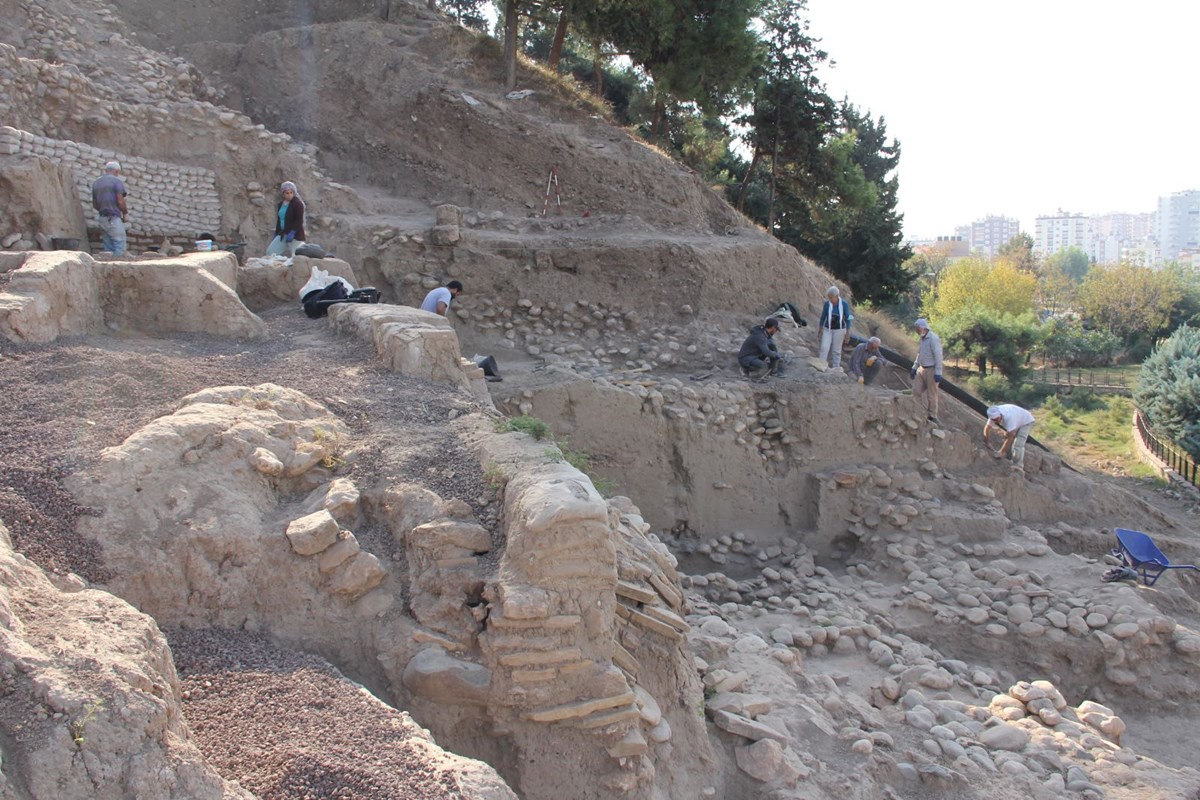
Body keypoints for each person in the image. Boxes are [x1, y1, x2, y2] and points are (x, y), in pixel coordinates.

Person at [909, 318, 944, 423]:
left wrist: (938, 372)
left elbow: (938, 356)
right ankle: (917, 411)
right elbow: (920, 354)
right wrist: (914, 367)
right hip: (922, 369)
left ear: (923, 328)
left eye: (917, 328)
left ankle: (932, 416)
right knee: (916, 391)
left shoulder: (933, 338)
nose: (916, 331)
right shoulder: (922, 339)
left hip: (932, 370)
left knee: (931, 394)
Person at [91, 161, 128, 256]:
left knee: (108, 249)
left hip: (102, 219)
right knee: (119, 244)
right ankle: (119, 267)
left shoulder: (96, 183)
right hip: (113, 218)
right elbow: (120, 200)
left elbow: (95, 204)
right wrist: (125, 213)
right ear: (116, 171)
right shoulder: (116, 182)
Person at [984, 404, 1036, 471]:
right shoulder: (993, 416)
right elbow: (987, 428)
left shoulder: (1009, 417)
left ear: (1000, 415)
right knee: (1007, 436)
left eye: (997, 419)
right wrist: (987, 442)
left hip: (1027, 421)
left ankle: (1018, 465)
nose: (996, 422)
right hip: (1017, 419)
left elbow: (1010, 437)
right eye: (994, 420)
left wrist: (1001, 452)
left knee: (1018, 444)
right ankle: (1009, 458)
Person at [817, 286, 852, 369]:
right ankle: (821, 365)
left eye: (831, 298)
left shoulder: (844, 304)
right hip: (828, 328)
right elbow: (823, 317)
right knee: (824, 347)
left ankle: (836, 367)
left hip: (839, 329)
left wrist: (847, 333)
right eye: (829, 298)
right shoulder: (827, 304)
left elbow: (848, 318)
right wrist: (820, 329)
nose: (830, 299)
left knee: (836, 350)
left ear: (837, 296)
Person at [267, 181, 306, 256]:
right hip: (283, 233)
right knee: (271, 252)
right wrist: (277, 232)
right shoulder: (281, 204)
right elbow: (280, 219)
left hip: (295, 235)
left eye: (291, 193)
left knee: (298, 255)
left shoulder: (297, 204)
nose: (289, 195)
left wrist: (293, 232)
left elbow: (299, 220)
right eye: (287, 193)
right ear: (283, 193)